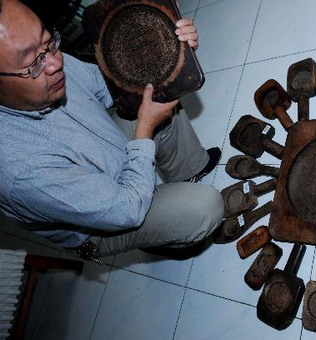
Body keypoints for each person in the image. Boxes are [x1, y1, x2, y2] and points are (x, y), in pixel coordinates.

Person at [0, 0, 224, 259]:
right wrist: (144, 131)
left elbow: (113, 85)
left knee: (159, 90)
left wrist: (175, 48)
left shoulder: (47, 60)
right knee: (205, 207)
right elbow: (126, 210)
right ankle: (166, 238)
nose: (54, 63)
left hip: (107, 152)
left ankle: (188, 172)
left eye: (49, 42)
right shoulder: (19, 172)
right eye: (34, 62)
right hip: (102, 222)